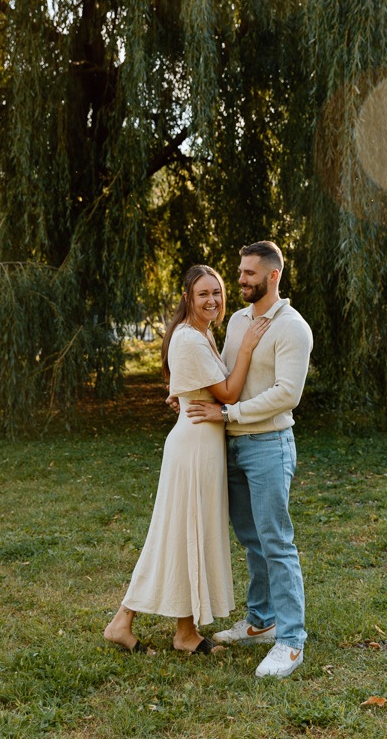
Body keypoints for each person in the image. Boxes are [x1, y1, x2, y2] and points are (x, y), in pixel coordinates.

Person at [104, 264, 270, 655]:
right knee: (175, 533)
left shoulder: (201, 334)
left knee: (187, 534)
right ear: (188, 299)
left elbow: (204, 388)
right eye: (203, 294)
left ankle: (184, 632)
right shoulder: (190, 340)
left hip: (204, 443)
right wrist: (246, 346)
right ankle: (123, 620)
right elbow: (228, 393)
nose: (212, 300)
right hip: (193, 447)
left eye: (217, 292)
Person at [186, 241, 313, 678]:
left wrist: (229, 414)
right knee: (251, 538)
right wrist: (189, 390)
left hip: (268, 446)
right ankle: (260, 620)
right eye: (239, 272)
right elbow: (225, 375)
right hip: (234, 446)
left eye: (248, 274)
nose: (238, 280)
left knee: (276, 541)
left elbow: (286, 394)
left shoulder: (293, 328)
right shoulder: (238, 320)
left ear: (273, 276)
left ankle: (291, 641)